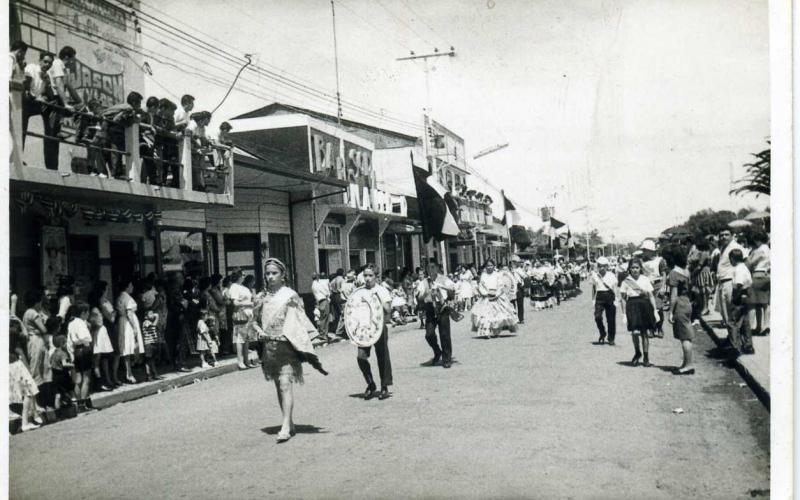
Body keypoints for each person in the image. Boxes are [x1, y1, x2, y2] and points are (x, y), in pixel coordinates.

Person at [253, 258, 328, 443]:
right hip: (269, 349)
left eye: (274, 273)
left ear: (282, 275)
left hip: (287, 347)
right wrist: (260, 332)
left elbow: (300, 320)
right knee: (279, 385)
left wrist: (308, 337)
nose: (270, 277)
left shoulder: (290, 296)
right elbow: (253, 321)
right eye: (268, 273)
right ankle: (290, 421)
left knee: (285, 383)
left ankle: (285, 426)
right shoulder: (260, 297)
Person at [22, 51, 68, 170]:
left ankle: (53, 131)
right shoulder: (32, 68)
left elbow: (47, 94)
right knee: (22, 130)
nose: (47, 65)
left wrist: (47, 84)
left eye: (50, 63)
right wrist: (37, 97)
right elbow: (25, 89)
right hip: (25, 102)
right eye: (45, 61)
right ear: (40, 60)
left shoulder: (46, 75)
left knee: (55, 104)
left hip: (36, 103)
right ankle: (16, 158)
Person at [354, 264, 393, 398]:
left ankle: (384, 386)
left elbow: (388, 310)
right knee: (361, 357)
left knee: (382, 356)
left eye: (370, 275)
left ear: (376, 277)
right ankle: (370, 383)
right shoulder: (359, 291)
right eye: (365, 275)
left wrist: (377, 299)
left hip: (379, 326)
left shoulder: (382, 290)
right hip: (364, 328)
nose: (367, 278)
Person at [415, 261, 456, 367]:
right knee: (429, 334)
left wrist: (441, 287)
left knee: (445, 334)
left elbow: (453, 289)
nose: (431, 269)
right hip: (430, 308)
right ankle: (437, 351)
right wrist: (425, 292)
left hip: (442, 307)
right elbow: (419, 297)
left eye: (433, 267)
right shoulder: (424, 282)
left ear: (437, 268)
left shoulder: (444, 279)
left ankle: (447, 358)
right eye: (428, 267)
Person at [620, 258, 659, 367]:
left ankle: (646, 356)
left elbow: (651, 296)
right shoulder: (626, 281)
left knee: (644, 333)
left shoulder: (645, 279)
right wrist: (623, 314)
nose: (635, 270)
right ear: (629, 269)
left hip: (644, 306)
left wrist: (655, 310)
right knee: (634, 332)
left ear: (640, 268)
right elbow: (623, 298)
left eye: (637, 267)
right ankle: (637, 352)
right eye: (632, 268)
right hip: (632, 306)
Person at [665, 245, 695, 375]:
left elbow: (673, 295)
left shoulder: (674, 273)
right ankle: (685, 363)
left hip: (680, 305)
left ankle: (688, 365)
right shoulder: (686, 271)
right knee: (686, 334)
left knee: (684, 337)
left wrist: (671, 312)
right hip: (687, 302)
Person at [471, 259, 519, 338]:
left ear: (494, 266)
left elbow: (500, 285)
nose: (489, 267)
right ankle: (486, 332)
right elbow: (481, 285)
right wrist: (485, 293)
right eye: (488, 266)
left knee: (497, 315)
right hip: (486, 297)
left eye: (491, 266)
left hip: (497, 297)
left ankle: (496, 331)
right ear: (485, 267)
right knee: (486, 315)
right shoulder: (483, 275)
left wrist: (496, 294)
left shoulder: (497, 275)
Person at [10, 327, 43, 431]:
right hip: (15, 364)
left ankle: (30, 417)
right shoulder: (12, 332)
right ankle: (26, 422)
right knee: (28, 392)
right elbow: (23, 334)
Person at [65, 303, 94, 410]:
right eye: (87, 312)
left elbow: (69, 341)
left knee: (78, 379)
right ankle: (83, 403)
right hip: (84, 349)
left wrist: (72, 353)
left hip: (76, 351)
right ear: (83, 313)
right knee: (86, 378)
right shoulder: (81, 323)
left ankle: (79, 403)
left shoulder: (71, 323)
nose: (88, 315)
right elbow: (86, 338)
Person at [116, 278, 144, 384]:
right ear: (127, 286)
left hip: (122, 322)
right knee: (128, 347)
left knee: (126, 347)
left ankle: (129, 372)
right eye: (130, 285)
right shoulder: (127, 297)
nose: (132, 287)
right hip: (128, 324)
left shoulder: (120, 296)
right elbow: (129, 314)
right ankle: (129, 373)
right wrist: (135, 328)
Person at [715, 229, 743, 329]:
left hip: (730, 281)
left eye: (726, 234)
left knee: (731, 313)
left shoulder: (735, 246)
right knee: (725, 314)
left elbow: (744, 261)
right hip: (722, 282)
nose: (724, 237)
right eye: (721, 235)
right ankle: (730, 338)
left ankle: (735, 339)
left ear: (732, 235)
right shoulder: (723, 247)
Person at [640, 239, 667, 337]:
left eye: (645, 250)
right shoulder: (642, 261)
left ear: (650, 250)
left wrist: (663, 287)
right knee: (649, 308)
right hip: (647, 286)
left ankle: (659, 327)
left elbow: (664, 274)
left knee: (659, 308)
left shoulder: (660, 260)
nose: (643, 252)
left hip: (658, 284)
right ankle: (651, 328)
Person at [228, 270, 255, 369]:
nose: (244, 276)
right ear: (238, 276)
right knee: (240, 338)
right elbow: (235, 303)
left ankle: (246, 360)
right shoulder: (234, 287)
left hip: (248, 314)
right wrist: (249, 304)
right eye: (242, 275)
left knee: (246, 338)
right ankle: (240, 361)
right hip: (240, 314)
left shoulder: (243, 287)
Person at [730, 249, 754, 355]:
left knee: (733, 322)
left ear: (732, 259)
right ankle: (748, 345)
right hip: (746, 295)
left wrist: (734, 298)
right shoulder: (744, 267)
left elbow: (739, 285)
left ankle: (735, 347)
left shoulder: (738, 269)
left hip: (739, 296)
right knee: (745, 322)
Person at [746, 231, 770, 336]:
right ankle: (764, 326)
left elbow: (750, 263)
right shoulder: (768, 249)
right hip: (766, 275)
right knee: (764, 303)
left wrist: (750, 256)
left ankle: (752, 326)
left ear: (757, 239)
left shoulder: (760, 250)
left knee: (752, 303)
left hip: (757, 275)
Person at [591, 257, 618, 345]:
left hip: (610, 296)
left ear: (607, 267)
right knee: (597, 317)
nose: (601, 268)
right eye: (599, 266)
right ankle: (602, 332)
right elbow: (594, 288)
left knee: (611, 319)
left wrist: (616, 299)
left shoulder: (611, 275)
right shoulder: (595, 275)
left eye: (603, 266)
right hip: (599, 296)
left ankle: (611, 337)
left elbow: (614, 288)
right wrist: (593, 299)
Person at [87, 305, 114, 390]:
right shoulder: (94, 311)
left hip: (102, 337)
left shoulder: (97, 310)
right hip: (98, 338)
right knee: (96, 363)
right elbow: (96, 323)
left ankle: (107, 380)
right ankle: (100, 383)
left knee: (104, 359)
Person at [50, 334, 75, 410]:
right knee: (68, 391)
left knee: (58, 394)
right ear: (61, 343)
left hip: (54, 375)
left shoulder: (54, 353)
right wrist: (73, 365)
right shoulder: (63, 353)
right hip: (62, 376)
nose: (67, 344)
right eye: (66, 342)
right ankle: (72, 406)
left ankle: (57, 411)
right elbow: (64, 364)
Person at [140, 309, 162, 380]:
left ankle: (154, 374)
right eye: (150, 314)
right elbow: (153, 325)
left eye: (153, 313)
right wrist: (157, 317)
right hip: (148, 344)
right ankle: (148, 375)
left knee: (152, 359)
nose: (152, 315)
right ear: (146, 316)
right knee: (148, 360)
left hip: (153, 343)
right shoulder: (146, 322)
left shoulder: (150, 321)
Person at [311, 273, 332, 340]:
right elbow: (325, 292)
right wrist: (328, 295)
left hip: (319, 301)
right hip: (323, 300)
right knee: (325, 318)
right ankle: (324, 334)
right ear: (317, 277)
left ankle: (322, 333)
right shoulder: (317, 284)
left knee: (322, 317)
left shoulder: (313, 285)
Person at [511, 256, 527, 323]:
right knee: (512, 304)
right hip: (511, 287)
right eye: (513, 262)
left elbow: (525, 277)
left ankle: (521, 318)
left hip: (518, 287)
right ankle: (513, 318)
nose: (514, 263)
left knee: (520, 303)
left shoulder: (519, 270)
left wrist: (523, 285)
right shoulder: (510, 270)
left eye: (515, 262)